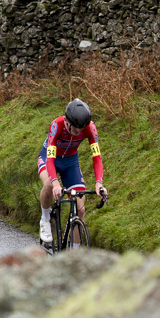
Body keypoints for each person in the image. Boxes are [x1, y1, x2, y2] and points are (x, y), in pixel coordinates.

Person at [37, 98, 108, 245]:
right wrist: (56, 183)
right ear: (67, 121)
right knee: (49, 185)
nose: (78, 133)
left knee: (80, 210)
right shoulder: (56, 125)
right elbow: (50, 159)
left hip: (70, 163)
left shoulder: (90, 128)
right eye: (75, 129)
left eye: (81, 130)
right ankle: (45, 220)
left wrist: (99, 183)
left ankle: (74, 254)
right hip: (50, 158)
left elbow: (97, 158)